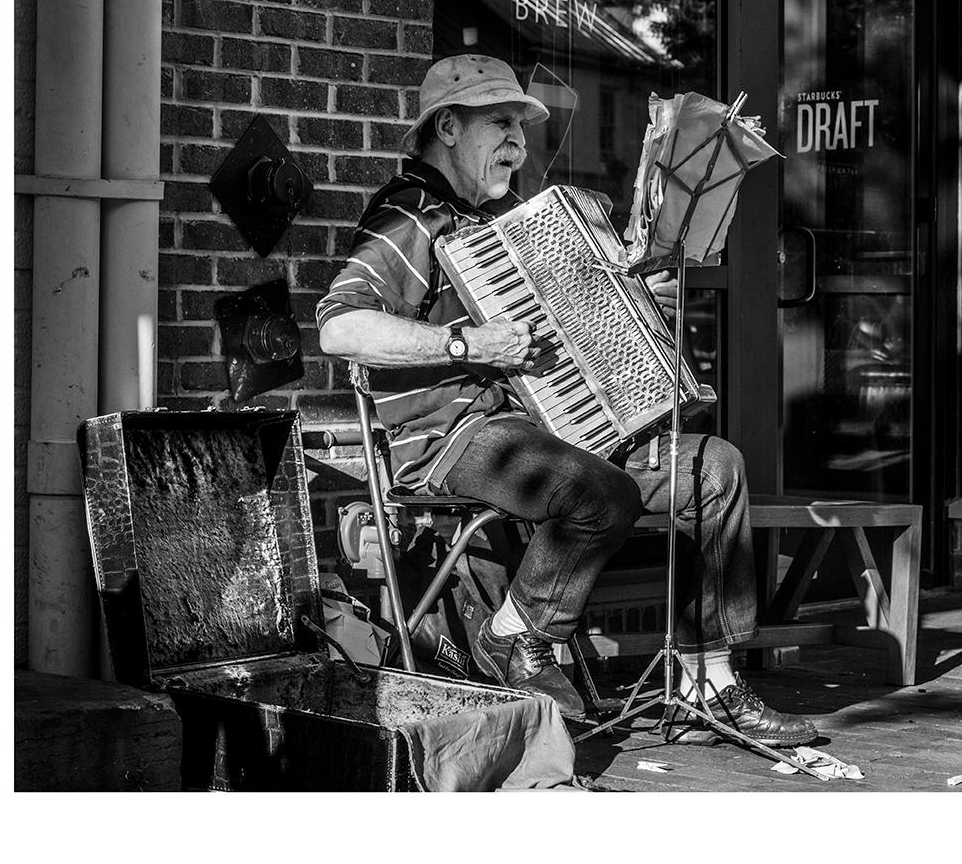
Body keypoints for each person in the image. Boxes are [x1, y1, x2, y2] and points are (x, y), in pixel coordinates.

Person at [317, 54, 816, 747]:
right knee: (597, 488)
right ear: (449, 127)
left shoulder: (495, 221)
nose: (519, 142)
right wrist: (469, 346)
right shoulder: (411, 213)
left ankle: (708, 678)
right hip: (448, 437)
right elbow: (340, 326)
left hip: (539, 425)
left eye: (522, 126)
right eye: (502, 123)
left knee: (715, 468)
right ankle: (515, 637)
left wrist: (638, 299)